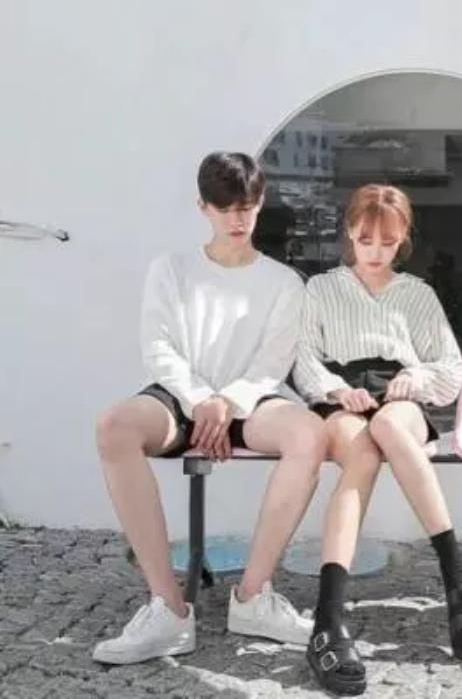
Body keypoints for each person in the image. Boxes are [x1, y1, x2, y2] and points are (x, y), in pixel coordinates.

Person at [92, 152, 327, 664]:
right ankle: (168, 609)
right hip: (180, 400)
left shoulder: (284, 282)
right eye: (224, 208)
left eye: (245, 207)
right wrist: (201, 400)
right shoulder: (171, 270)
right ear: (203, 207)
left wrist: (228, 402)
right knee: (114, 427)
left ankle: (254, 596)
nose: (236, 219)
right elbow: (158, 348)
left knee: (309, 434)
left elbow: (273, 361)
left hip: (251, 402)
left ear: (259, 203)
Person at [293, 184, 462, 695]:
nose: (375, 252)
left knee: (386, 426)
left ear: (402, 239)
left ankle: (456, 575)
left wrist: (415, 378)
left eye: (387, 242)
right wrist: (336, 390)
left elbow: (450, 366)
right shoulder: (321, 289)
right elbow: (304, 357)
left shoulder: (417, 294)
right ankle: (328, 621)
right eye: (365, 240)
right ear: (349, 234)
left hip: (400, 395)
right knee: (361, 453)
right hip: (342, 395)